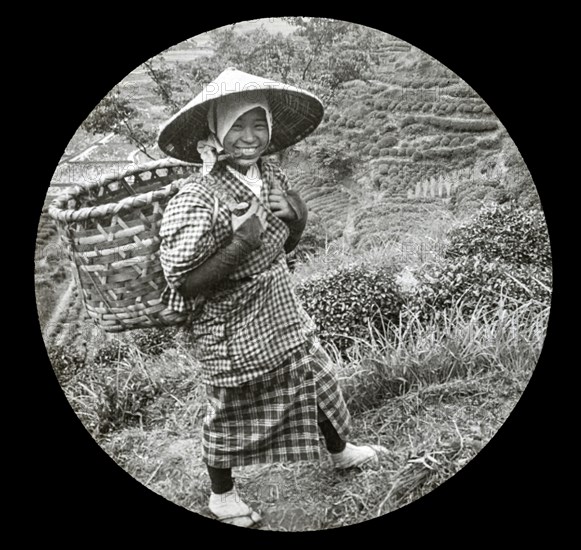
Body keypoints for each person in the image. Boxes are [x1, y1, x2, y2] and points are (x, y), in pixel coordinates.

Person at [158, 68, 387, 528]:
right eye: (237, 126)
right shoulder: (196, 195)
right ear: (216, 132)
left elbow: (282, 243)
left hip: (280, 307)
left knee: (314, 376)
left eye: (258, 124)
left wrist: (296, 216)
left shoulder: (271, 173)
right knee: (230, 409)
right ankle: (222, 496)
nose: (250, 137)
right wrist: (240, 242)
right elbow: (182, 281)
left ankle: (341, 452)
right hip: (229, 325)